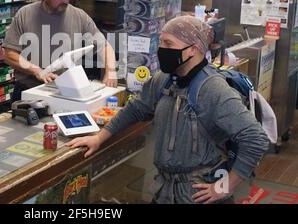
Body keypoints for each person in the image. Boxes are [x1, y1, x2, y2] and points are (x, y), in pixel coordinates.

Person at [67, 16, 270, 204]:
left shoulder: (213, 90)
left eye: (169, 44)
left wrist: (225, 187)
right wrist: (99, 137)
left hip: (199, 193)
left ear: (193, 49)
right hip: (166, 190)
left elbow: (255, 139)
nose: (161, 49)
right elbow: (136, 108)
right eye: (161, 42)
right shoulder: (163, 80)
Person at [3, 0, 118, 101]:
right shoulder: (25, 14)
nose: (66, 0)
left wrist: (110, 71)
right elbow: (9, 55)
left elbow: (103, 45)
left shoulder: (79, 16)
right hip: (28, 91)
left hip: (67, 91)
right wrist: (36, 70)